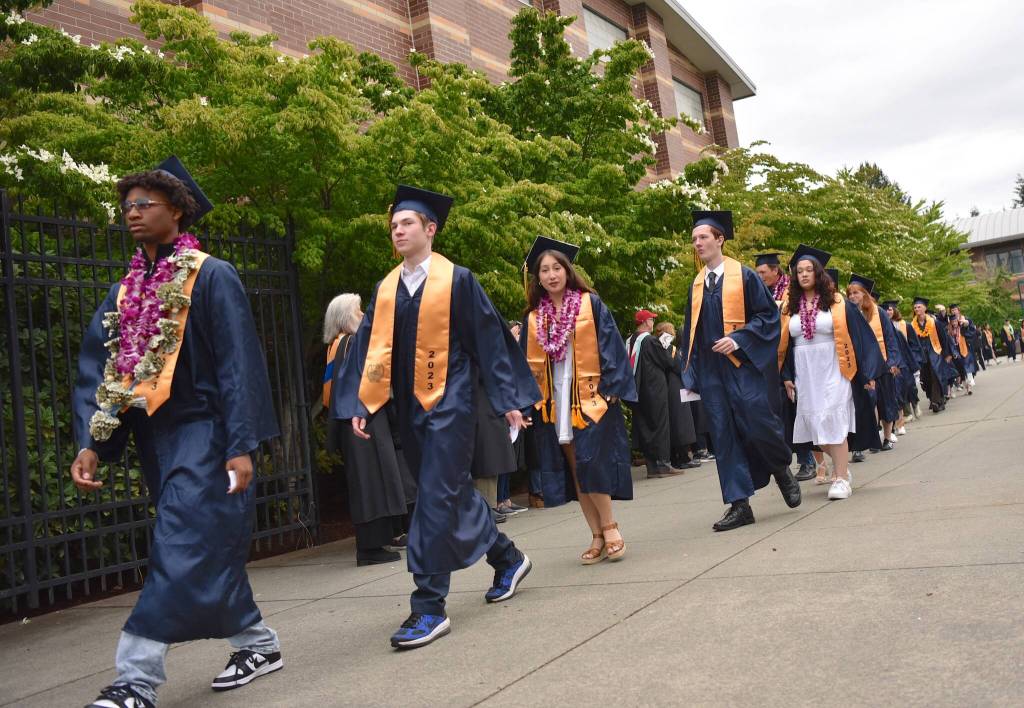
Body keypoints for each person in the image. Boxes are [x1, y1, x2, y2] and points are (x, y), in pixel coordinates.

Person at [71, 157, 283, 708]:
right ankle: (258, 643)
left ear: (178, 211)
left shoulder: (210, 275)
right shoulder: (126, 293)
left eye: (146, 204)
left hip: (207, 431)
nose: (133, 213)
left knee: (180, 544)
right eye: (128, 206)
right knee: (197, 544)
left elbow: (239, 364)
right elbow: (101, 370)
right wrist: (91, 441)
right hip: (156, 441)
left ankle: (134, 680)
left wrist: (240, 443)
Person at [332, 185, 539, 649]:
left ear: (431, 228)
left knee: (432, 498)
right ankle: (507, 558)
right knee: (448, 491)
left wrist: (508, 397)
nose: (398, 230)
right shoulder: (387, 288)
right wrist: (361, 402)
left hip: (451, 402)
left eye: (407, 223)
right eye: (393, 225)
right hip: (409, 407)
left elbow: (489, 340)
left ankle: (428, 605)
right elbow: (368, 351)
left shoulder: (456, 280)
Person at [679, 211, 802, 531]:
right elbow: (688, 332)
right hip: (711, 373)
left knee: (759, 424)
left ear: (720, 239)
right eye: (694, 240)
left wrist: (738, 340)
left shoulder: (744, 276)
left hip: (743, 367)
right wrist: (689, 373)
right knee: (724, 435)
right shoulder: (696, 285)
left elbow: (768, 318)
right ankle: (739, 504)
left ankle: (781, 469)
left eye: (703, 237)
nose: (697, 243)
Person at [521, 237, 636, 563]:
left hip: (589, 395)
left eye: (557, 267)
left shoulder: (589, 304)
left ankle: (611, 527)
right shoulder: (534, 318)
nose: (551, 274)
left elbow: (610, 343)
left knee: (591, 461)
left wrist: (612, 386)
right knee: (575, 468)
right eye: (544, 270)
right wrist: (525, 404)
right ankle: (596, 535)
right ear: (538, 278)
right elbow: (524, 366)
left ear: (567, 271)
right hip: (555, 399)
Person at [779, 249, 884, 500]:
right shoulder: (789, 307)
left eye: (808, 270)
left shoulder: (837, 303)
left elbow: (860, 337)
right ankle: (842, 468)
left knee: (834, 420)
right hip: (806, 373)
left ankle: (839, 479)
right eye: (799, 271)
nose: (804, 274)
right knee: (816, 428)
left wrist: (867, 372)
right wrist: (785, 375)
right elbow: (783, 345)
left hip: (835, 368)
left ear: (819, 273)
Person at [323, 294, 415, 566]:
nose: (363, 316)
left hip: (355, 419)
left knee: (371, 482)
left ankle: (376, 542)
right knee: (370, 483)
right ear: (344, 318)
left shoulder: (337, 345)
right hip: (362, 421)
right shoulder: (351, 343)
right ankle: (370, 547)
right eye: (358, 311)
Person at [756, 252, 816, 482]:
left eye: (763, 272)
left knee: (796, 411)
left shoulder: (792, 292)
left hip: (792, 356)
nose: (760, 276)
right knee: (780, 415)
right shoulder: (763, 292)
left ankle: (807, 460)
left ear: (775, 270)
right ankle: (785, 462)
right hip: (771, 359)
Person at [847, 275, 904, 451]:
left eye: (856, 293)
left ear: (865, 294)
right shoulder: (847, 313)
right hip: (861, 367)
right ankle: (865, 442)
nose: (852, 297)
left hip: (883, 364)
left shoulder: (878, 312)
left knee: (886, 401)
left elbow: (890, 338)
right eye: (849, 294)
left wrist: (893, 361)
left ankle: (887, 437)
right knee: (865, 403)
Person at [627, 309, 678, 477]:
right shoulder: (649, 341)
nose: (653, 323)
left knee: (644, 426)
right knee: (660, 426)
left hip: (637, 391)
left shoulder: (629, 341)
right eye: (651, 320)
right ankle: (663, 464)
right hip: (654, 389)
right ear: (646, 322)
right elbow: (667, 361)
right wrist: (669, 347)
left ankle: (651, 467)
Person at [655, 322, 701, 469]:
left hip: (668, 386)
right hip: (676, 387)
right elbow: (677, 366)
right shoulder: (670, 348)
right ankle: (684, 457)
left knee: (677, 422)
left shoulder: (657, 346)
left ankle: (678, 457)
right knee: (682, 422)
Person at [882, 299, 921, 431]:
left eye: (890, 309)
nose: (888, 312)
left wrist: (914, 365)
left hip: (902, 363)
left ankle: (914, 404)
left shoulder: (904, 327)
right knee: (896, 392)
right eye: (886, 310)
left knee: (908, 388)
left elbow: (909, 348)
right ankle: (900, 420)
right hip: (890, 365)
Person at [911, 297, 955, 413]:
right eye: (915, 307)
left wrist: (946, 353)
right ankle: (934, 399)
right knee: (926, 379)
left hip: (935, 352)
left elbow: (943, 338)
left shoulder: (934, 322)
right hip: (921, 356)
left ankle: (936, 401)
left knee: (936, 375)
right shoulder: (912, 325)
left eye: (919, 307)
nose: (916, 309)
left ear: (925, 308)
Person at [947, 304, 978, 394]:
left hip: (965, 346)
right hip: (955, 349)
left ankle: (969, 386)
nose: (954, 311)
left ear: (958, 310)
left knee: (968, 365)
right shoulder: (949, 326)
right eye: (952, 310)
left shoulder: (965, 319)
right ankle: (964, 385)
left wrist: (966, 324)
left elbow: (971, 330)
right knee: (960, 369)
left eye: (955, 310)